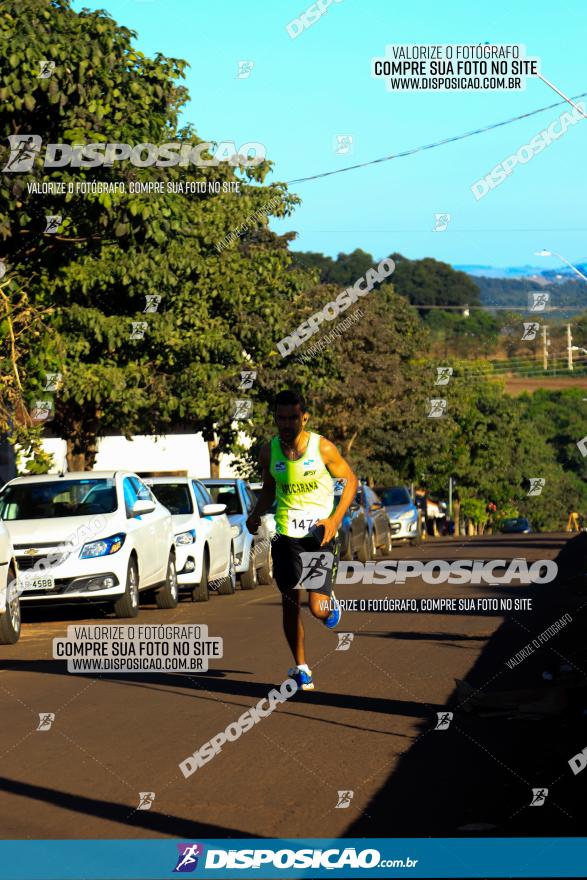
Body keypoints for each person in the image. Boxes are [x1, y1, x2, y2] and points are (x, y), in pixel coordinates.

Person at [246, 389, 358, 691]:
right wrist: (256, 513)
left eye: (293, 417)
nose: (286, 423)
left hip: (317, 537)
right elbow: (269, 489)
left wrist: (334, 520)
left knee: (317, 609)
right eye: (281, 418)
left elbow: (351, 481)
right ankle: (302, 669)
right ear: (275, 419)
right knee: (289, 602)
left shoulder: (322, 449)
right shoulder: (269, 452)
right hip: (285, 535)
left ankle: (328, 604)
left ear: (304, 418)